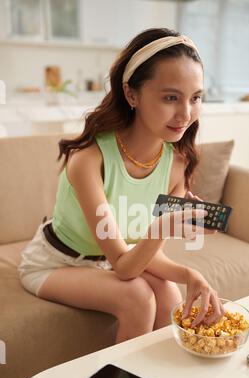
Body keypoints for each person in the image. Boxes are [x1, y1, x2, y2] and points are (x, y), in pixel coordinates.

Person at [18, 27, 224, 344]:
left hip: (110, 260)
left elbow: (141, 254)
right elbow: (126, 267)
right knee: (137, 297)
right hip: (54, 263)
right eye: (171, 97)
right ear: (131, 94)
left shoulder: (176, 163)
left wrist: (191, 275)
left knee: (169, 298)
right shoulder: (89, 160)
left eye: (195, 98)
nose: (185, 114)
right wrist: (163, 226)